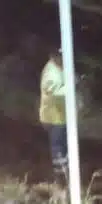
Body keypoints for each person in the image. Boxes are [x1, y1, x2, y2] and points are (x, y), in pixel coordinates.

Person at [38, 48, 70, 181]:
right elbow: (53, 92)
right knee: (58, 147)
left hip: (61, 116)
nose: (63, 59)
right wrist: (70, 88)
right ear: (54, 56)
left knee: (63, 145)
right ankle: (60, 176)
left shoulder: (60, 67)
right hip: (53, 117)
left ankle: (65, 171)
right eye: (60, 56)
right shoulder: (51, 72)